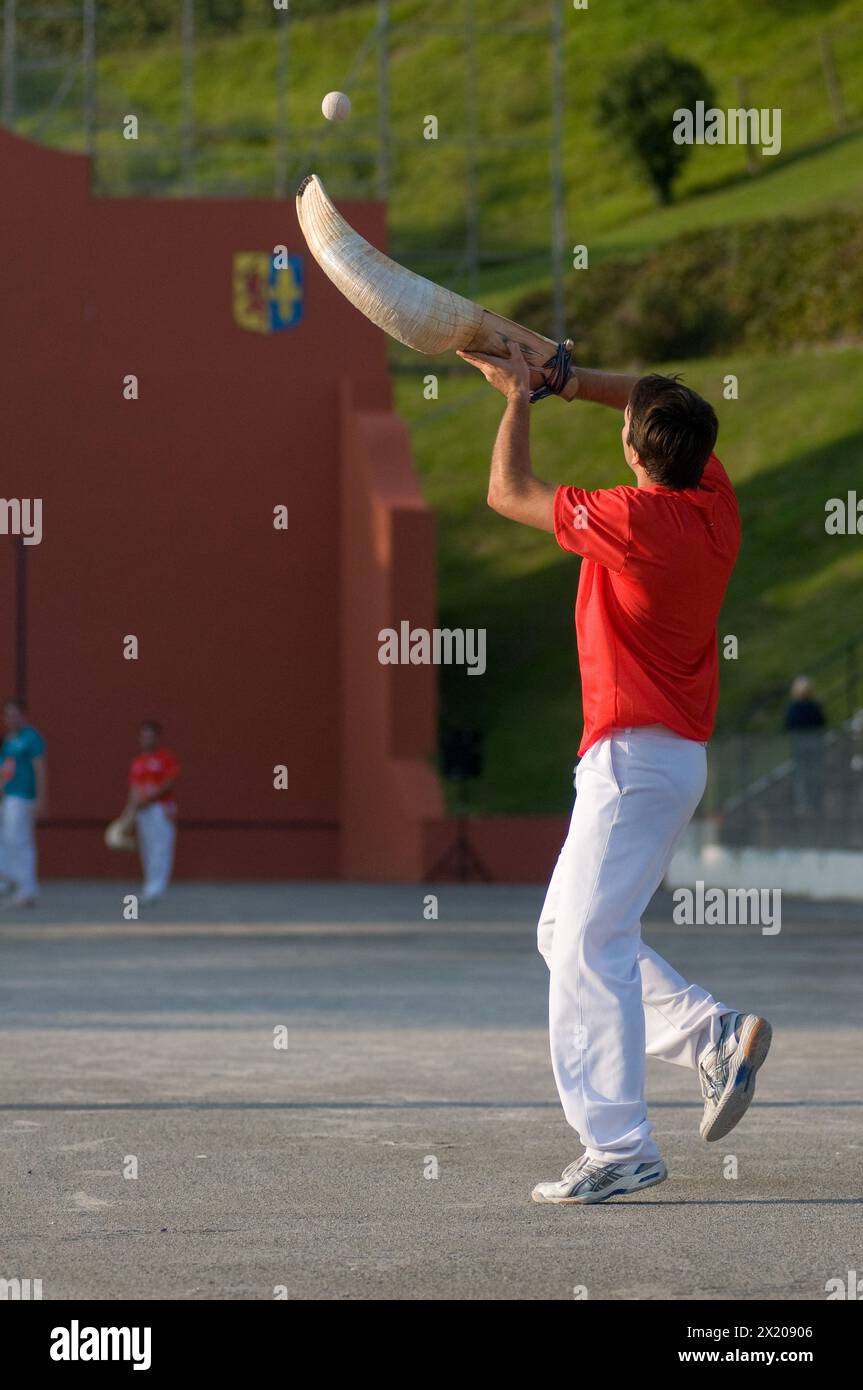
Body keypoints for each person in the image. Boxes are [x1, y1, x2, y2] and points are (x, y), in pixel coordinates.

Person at [456, 342, 772, 1205]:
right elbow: (647, 400)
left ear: (634, 450)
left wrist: (521, 397)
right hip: (667, 761)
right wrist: (561, 376)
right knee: (569, 935)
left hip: (631, 761)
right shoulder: (714, 501)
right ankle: (713, 1034)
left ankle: (618, 1143)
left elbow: (505, 494)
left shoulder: (632, 519)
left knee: (588, 942)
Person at [126, 720, 180, 905]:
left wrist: (149, 798)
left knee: (161, 848)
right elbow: (134, 788)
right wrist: (131, 811)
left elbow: (169, 782)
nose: (146, 739)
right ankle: (150, 885)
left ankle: (157, 888)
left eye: (150, 735)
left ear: (157, 738)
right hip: (143, 810)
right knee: (147, 849)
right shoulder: (137, 762)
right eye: (144, 735)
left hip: (160, 808)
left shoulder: (165, 758)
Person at [0, 698, 46, 907]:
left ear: (22, 715)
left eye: (14, 714)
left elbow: (39, 767)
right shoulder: (8, 741)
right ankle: (9, 882)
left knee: (19, 841)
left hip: (24, 796)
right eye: (7, 714)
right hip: (7, 797)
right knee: (6, 840)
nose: (10, 718)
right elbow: (6, 770)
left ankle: (27, 887)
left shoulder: (31, 737)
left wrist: (40, 798)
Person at [783, 675, 826, 817]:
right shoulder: (814, 706)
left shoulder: (794, 708)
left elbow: (789, 725)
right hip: (812, 743)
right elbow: (821, 723)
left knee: (803, 776)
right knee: (811, 775)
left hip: (802, 744)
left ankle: (805, 805)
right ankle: (812, 804)